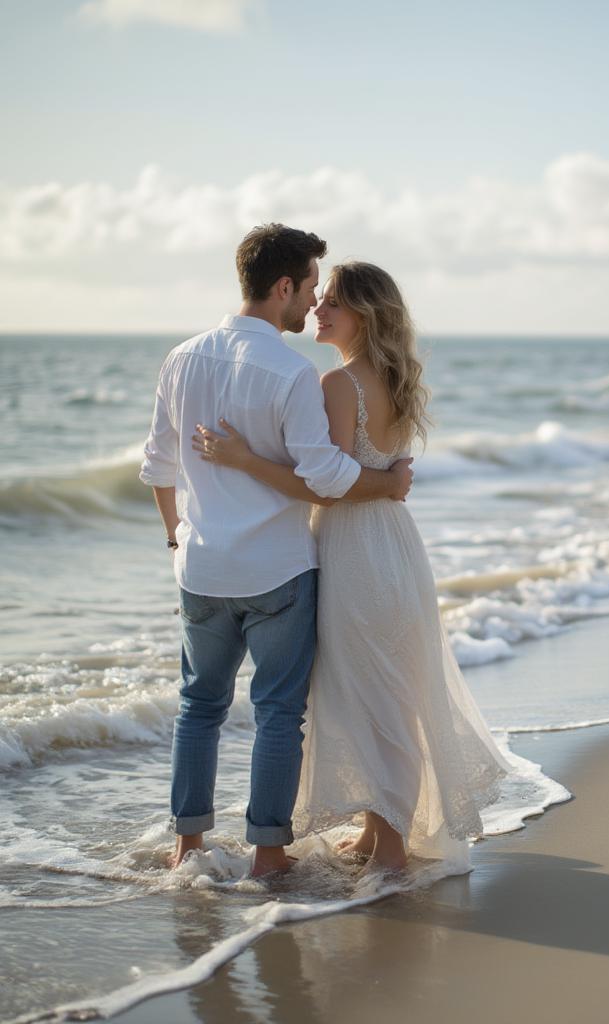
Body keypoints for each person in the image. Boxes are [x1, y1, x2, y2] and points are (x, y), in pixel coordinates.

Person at [192, 260, 509, 873]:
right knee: (384, 695)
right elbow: (364, 475)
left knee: (377, 699)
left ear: (364, 314)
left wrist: (240, 458)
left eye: (333, 302)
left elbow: (328, 485)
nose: (318, 309)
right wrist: (389, 482)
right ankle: (374, 834)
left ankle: (389, 849)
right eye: (320, 297)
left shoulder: (340, 385)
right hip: (391, 544)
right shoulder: (394, 378)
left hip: (355, 549)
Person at [140, 226, 414, 878]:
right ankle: (268, 856)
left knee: (198, 707)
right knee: (277, 715)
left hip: (202, 568)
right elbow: (327, 476)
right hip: (280, 571)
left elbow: (157, 467)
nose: (313, 302)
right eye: (311, 288)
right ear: (283, 286)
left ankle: (188, 848)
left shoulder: (180, 359)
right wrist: (388, 483)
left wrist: (177, 539)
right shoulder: (293, 372)